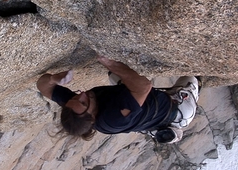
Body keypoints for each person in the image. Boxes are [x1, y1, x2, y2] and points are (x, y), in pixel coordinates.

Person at [36, 56, 200, 143]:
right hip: (177, 110)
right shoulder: (113, 119)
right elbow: (144, 86)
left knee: (115, 76)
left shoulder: (75, 107)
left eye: (76, 98)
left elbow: (42, 86)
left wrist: (53, 79)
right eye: (83, 102)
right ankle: (172, 126)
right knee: (193, 75)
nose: (82, 94)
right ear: (92, 117)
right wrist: (109, 62)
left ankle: (153, 127)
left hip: (142, 105)